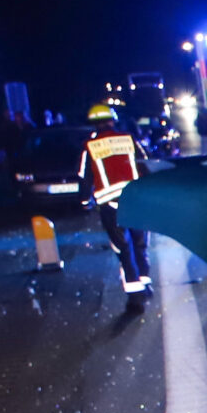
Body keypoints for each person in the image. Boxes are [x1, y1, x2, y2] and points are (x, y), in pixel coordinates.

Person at [79, 122, 150, 300]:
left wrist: (84, 200)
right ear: (113, 121)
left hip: (111, 205)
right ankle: (145, 282)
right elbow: (145, 163)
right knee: (140, 243)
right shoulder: (128, 139)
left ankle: (135, 293)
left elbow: (85, 176)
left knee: (123, 247)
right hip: (136, 199)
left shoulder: (90, 146)